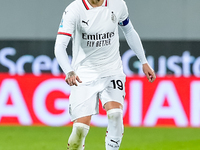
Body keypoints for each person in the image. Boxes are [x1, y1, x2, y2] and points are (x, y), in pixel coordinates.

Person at [54, 0, 156, 149]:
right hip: (84, 75)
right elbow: (60, 46)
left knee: (115, 114)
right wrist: (69, 71)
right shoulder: (74, 10)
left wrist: (144, 61)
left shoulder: (118, 4)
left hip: (111, 70)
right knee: (80, 130)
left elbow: (129, 30)